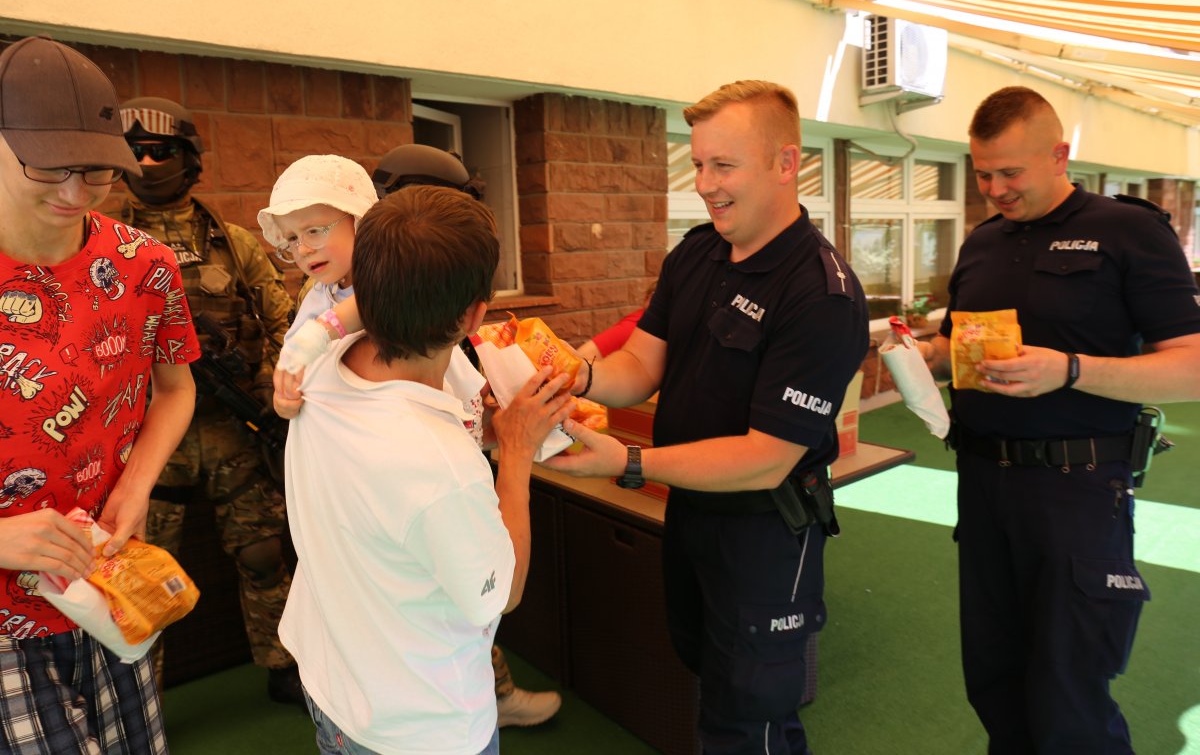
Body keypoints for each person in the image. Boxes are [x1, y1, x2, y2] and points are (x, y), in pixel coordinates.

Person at [542, 80, 869, 754]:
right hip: (691, 516)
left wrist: (630, 463)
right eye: (696, 164)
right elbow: (641, 364)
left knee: (755, 717)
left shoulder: (821, 294)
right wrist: (580, 374)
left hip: (766, 533)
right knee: (705, 674)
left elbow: (767, 455)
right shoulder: (696, 253)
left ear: (785, 164)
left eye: (724, 166)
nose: (705, 184)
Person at [917, 86, 1200, 753]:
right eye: (982, 173)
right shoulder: (982, 244)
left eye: (1010, 173)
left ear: (1059, 155)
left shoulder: (1128, 231)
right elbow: (962, 355)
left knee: (1068, 697)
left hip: (1078, 490)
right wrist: (917, 355)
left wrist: (1071, 368)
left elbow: (1191, 367)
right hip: (983, 486)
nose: (994, 189)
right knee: (995, 682)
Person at [266, 145, 564, 728]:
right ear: (475, 315)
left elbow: (339, 323)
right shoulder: (440, 466)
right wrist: (519, 453)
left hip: (331, 681)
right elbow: (502, 593)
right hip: (419, 720)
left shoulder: (316, 368)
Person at [0, 36, 198, 753]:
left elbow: (176, 387)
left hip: (107, 583)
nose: (76, 194)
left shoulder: (143, 263)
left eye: (100, 173)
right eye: (51, 166)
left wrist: (138, 485)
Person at [117, 97, 301, 704]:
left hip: (232, 429)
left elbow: (284, 324)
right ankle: (141, 692)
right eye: (136, 150)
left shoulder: (234, 242)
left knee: (263, 552)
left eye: (161, 150)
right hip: (145, 442)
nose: (147, 161)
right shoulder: (101, 244)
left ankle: (283, 662)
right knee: (137, 577)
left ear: (189, 159)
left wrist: (272, 391)